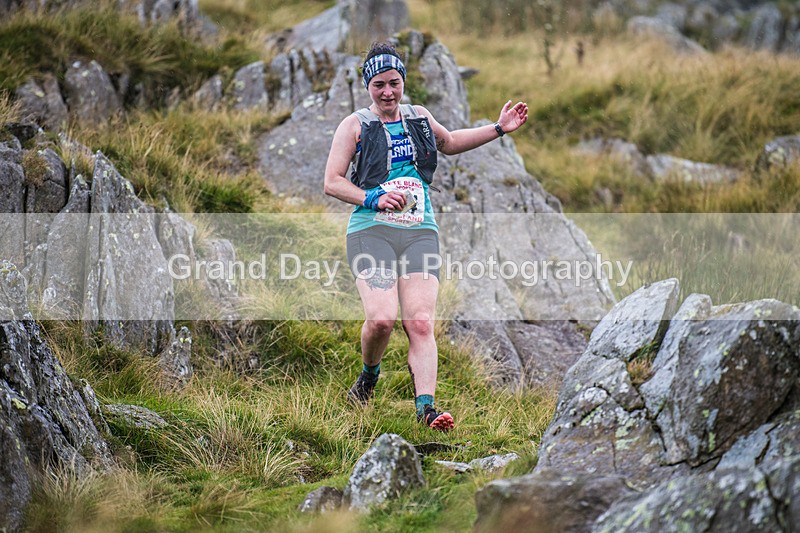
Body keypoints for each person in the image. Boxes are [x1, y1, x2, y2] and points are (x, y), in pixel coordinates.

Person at [323, 42, 528, 431]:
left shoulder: (418, 118)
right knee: (382, 320)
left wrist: (499, 128)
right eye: (379, 84)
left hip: (420, 234)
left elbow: (449, 143)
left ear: (403, 82)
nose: (388, 92)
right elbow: (331, 182)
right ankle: (369, 376)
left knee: (420, 323)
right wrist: (373, 197)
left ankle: (427, 410)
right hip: (371, 232)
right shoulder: (354, 126)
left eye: (395, 83)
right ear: (368, 85)